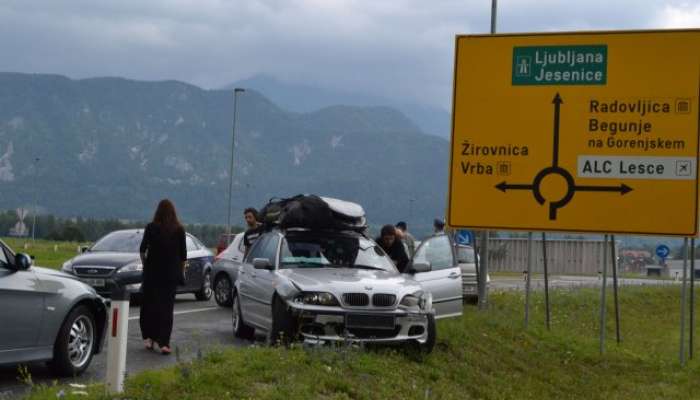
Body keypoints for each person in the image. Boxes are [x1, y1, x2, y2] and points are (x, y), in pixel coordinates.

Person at [139, 199, 187, 355]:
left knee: (150, 305)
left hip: (153, 272)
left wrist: (146, 265)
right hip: (170, 274)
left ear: (157, 212)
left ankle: (149, 338)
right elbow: (183, 256)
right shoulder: (179, 230)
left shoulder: (151, 228)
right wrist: (180, 272)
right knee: (167, 308)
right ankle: (164, 343)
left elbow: (142, 250)